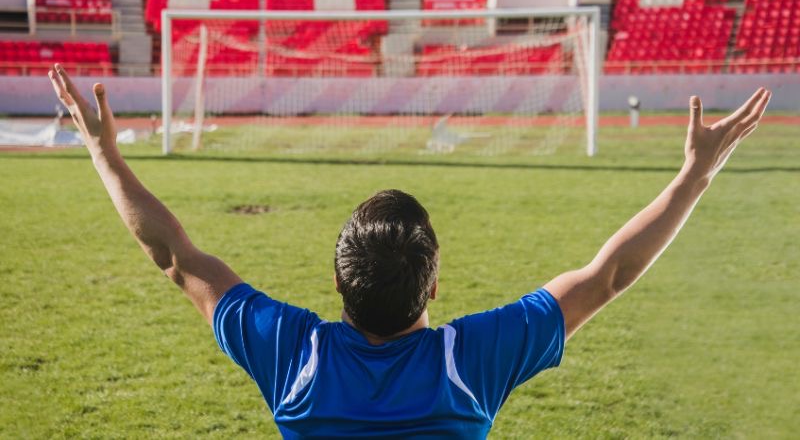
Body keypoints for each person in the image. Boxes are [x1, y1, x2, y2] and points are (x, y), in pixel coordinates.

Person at [48, 64, 771, 438]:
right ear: (432, 288)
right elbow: (608, 275)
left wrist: (105, 153)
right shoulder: (471, 360)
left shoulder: (295, 356)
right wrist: (695, 174)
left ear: (336, 280)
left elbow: (172, 255)